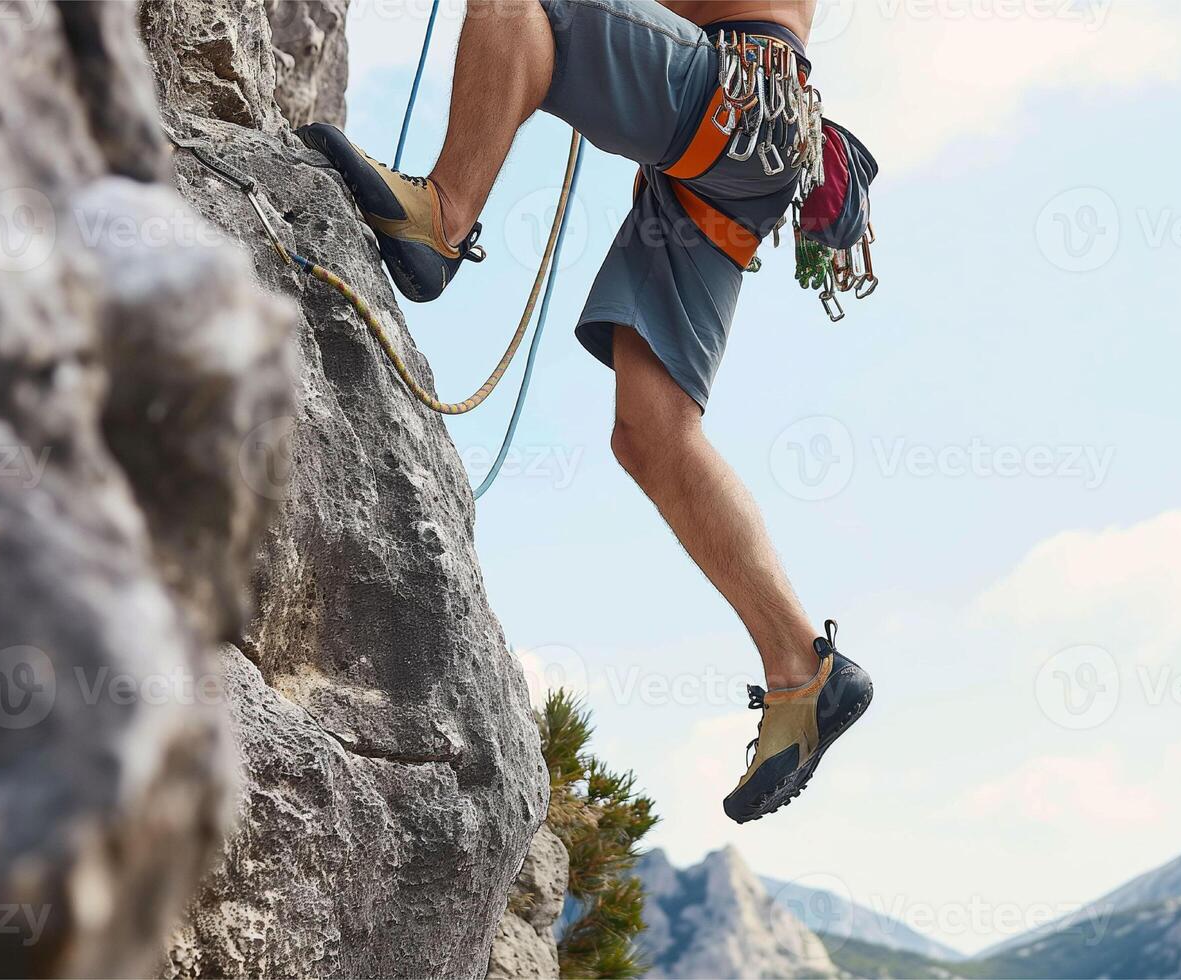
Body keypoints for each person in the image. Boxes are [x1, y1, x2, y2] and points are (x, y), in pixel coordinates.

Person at [296, 0, 872, 823]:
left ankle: (442, 216)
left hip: (737, 97)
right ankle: (801, 671)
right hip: (743, 139)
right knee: (653, 432)